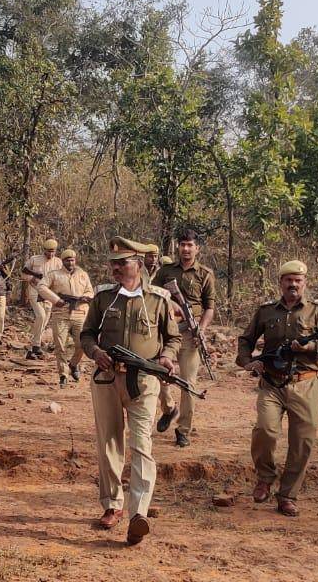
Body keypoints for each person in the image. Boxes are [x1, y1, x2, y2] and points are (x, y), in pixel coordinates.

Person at [80, 237, 180, 546]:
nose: (115, 268)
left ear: (138, 263)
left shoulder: (159, 299)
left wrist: (167, 356)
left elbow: (172, 338)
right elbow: (86, 334)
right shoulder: (103, 297)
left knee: (141, 445)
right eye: (113, 263)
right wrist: (96, 352)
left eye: (122, 263)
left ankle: (139, 514)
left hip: (145, 381)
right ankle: (112, 504)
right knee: (109, 442)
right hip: (107, 379)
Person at [236, 260, 318, 517]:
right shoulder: (266, 311)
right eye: (288, 280)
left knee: (302, 442)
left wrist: (309, 348)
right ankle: (265, 477)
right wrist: (249, 362)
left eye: (298, 281)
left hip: (305, 383)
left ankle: (287, 495)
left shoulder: (317, 312)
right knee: (264, 430)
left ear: (305, 283)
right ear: (280, 283)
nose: (293, 285)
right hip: (271, 382)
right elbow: (246, 340)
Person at [153, 229, 216, 448]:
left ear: (197, 248)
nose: (186, 249)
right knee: (158, 376)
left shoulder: (205, 274)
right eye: (182, 245)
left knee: (188, 384)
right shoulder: (165, 272)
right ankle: (169, 409)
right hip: (167, 332)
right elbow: (153, 297)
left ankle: (183, 430)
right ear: (177, 247)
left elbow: (209, 307)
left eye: (190, 245)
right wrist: (173, 305)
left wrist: (201, 328)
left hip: (191, 334)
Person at [38, 248, 95, 388]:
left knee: (82, 344)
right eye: (68, 260)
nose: (70, 262)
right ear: (62, 261)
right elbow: (41, 286)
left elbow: (90, 290)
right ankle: (63, 375)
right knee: (60, 346)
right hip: (61, 313)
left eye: (73, 260)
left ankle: (73, 364)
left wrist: (86, 297)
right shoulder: (54, 274)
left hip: (80, 313)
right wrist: (56, 300)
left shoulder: (82, 274)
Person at [21, 238, 62, 359]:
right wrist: (32, 279)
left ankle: (34, 346)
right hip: (35, 291)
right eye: (48, 251)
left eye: (53, 251)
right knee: (41, 316)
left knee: (44, 320)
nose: (51, 254)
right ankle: (36, 346)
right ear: (44, 250)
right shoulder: (35, 259)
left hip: (49, 293)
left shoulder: (58, 262)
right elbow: (23, 273)